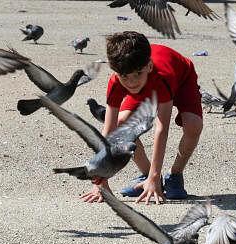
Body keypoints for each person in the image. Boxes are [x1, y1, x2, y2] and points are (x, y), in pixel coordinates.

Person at [81, 31, 203, 204]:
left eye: (137, 74)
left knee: (193, 125)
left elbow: (161, 130)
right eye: (125, 77)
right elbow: (108, 131)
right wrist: (100, 181)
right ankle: (147, 175)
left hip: (181, 79)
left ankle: (175, 175)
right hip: (147, 84)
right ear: (115, 72)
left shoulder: (162, 78)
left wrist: (155, 175)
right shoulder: (118, 81)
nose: (131, 82)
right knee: (122, 125)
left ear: (149, 66)